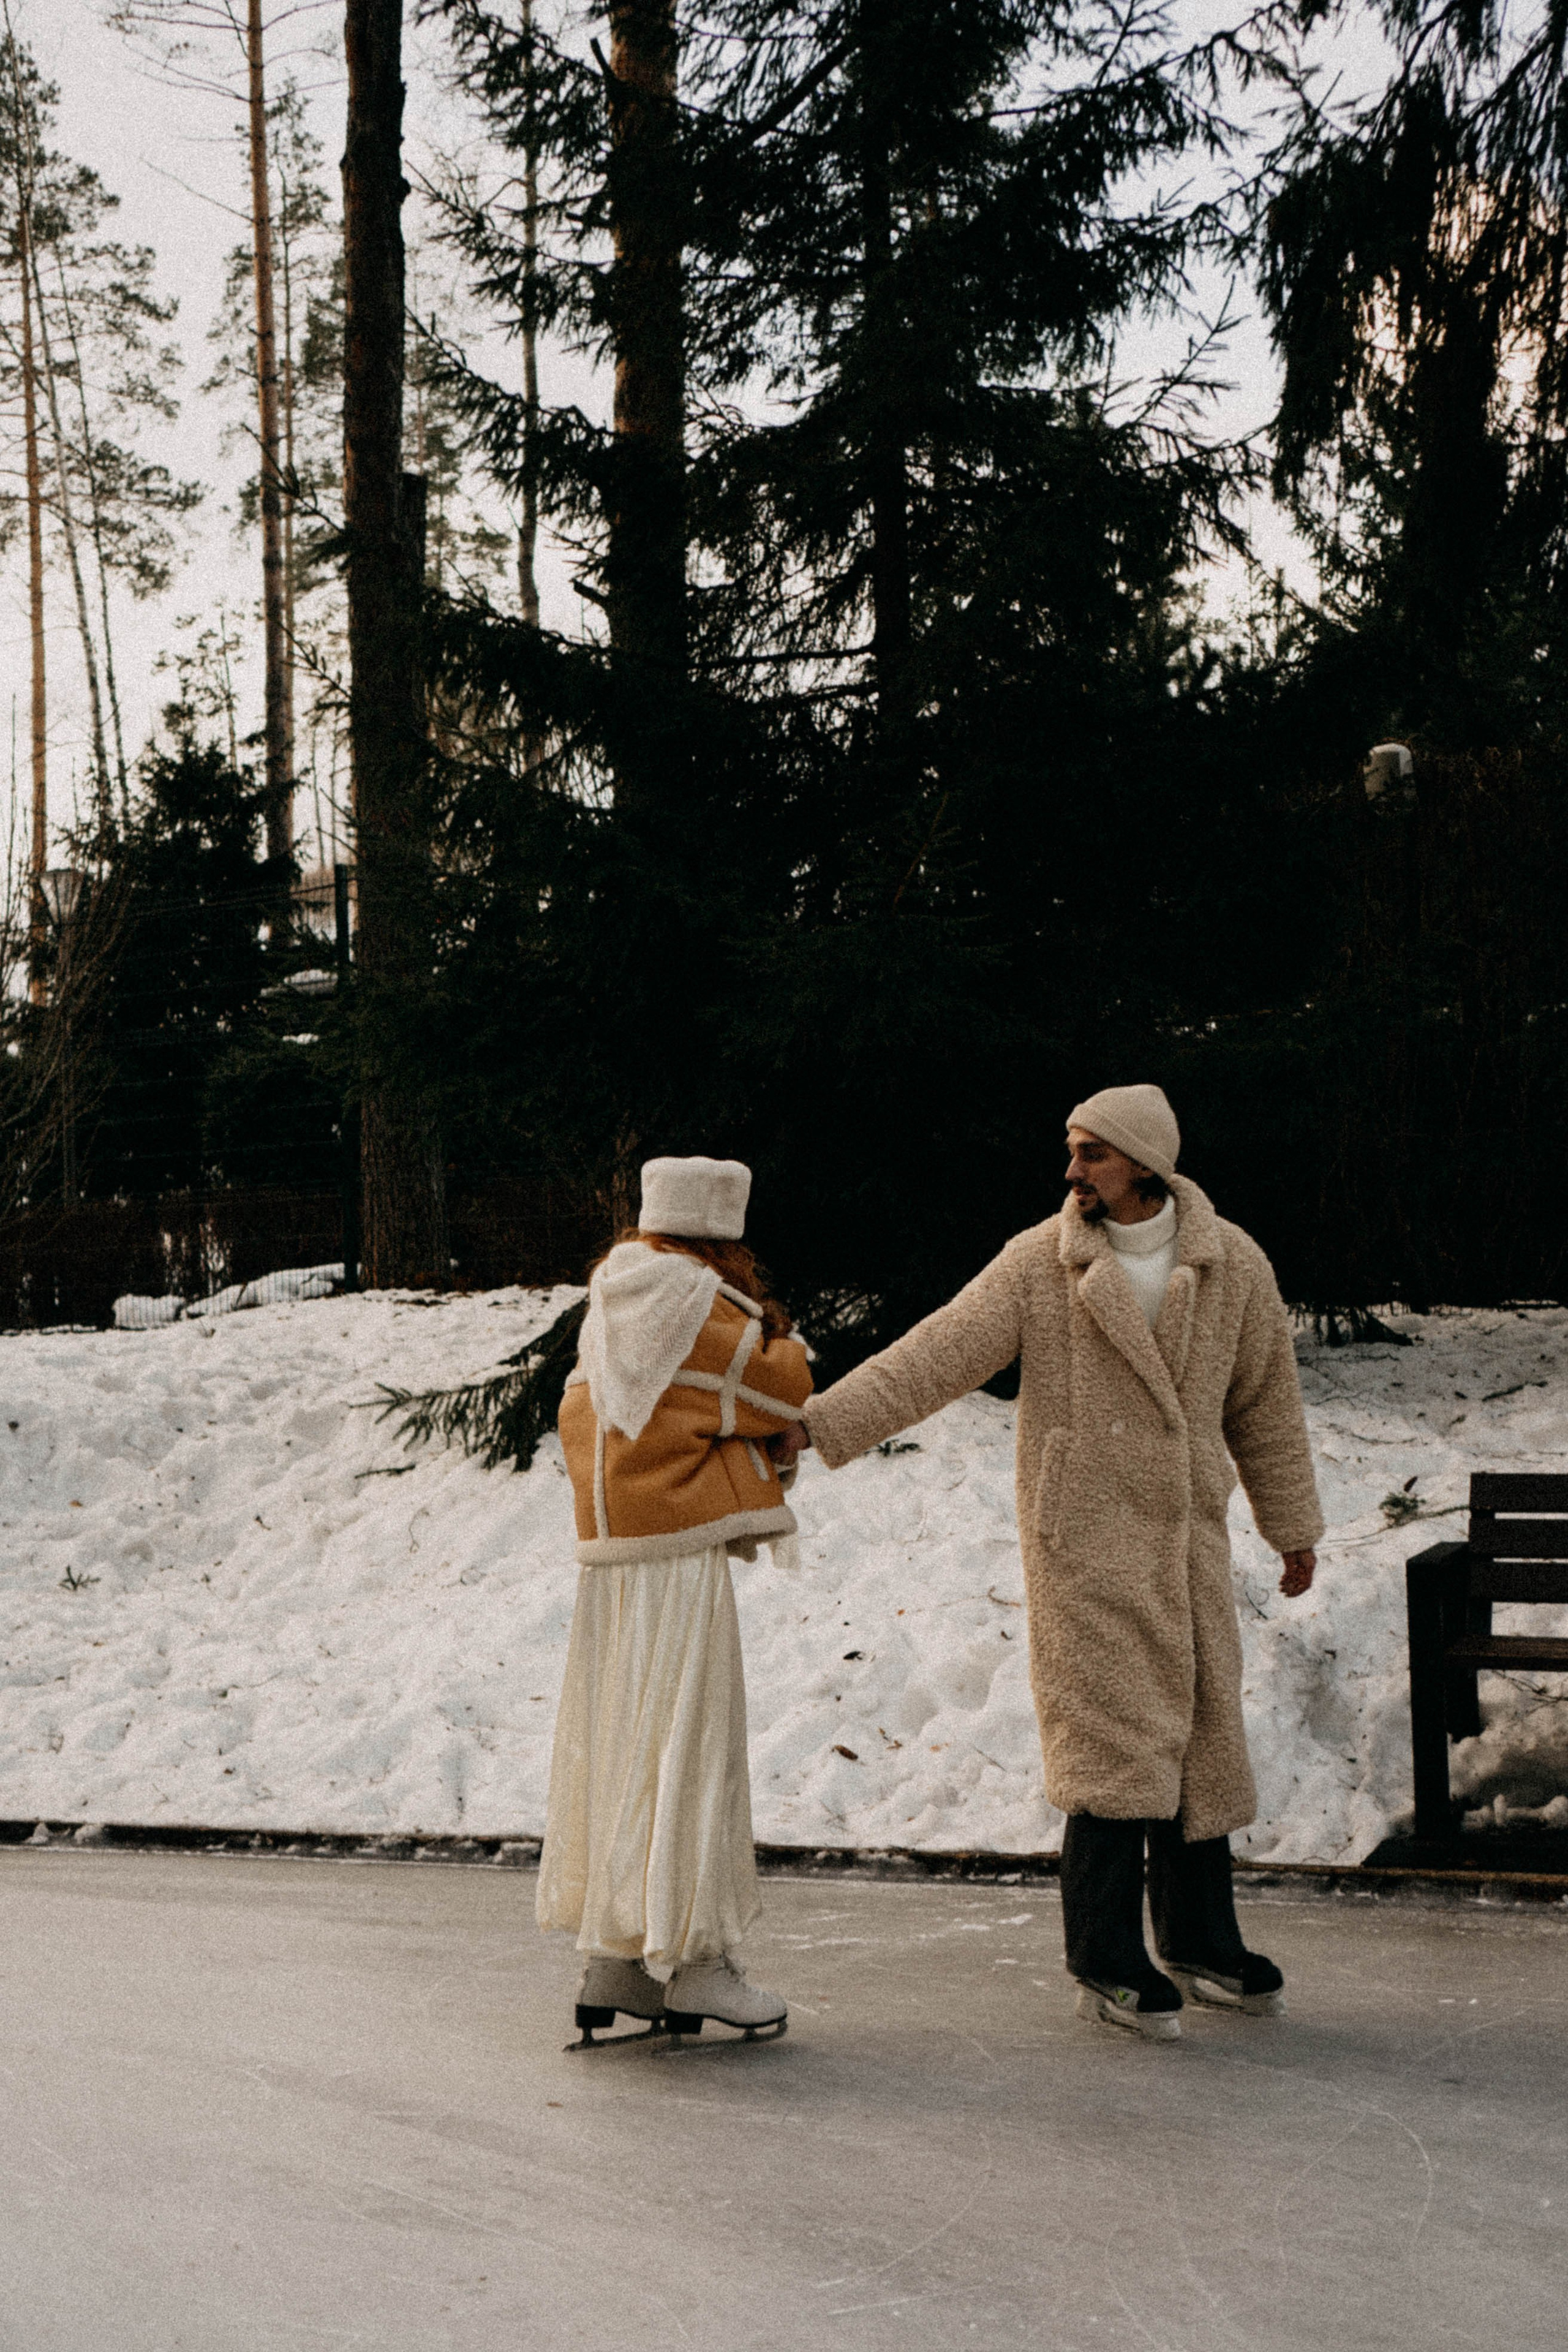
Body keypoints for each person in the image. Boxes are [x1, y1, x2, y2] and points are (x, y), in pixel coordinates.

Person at [783, 1085, 1323, 2043]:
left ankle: (1200, 1939)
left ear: (1145, 1164)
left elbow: (1266, 1406)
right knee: (1112, 1741)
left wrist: (1293, 1528)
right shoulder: (1044, 1261)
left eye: (1091, 1155)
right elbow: (937, 1353)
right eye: (1072, 1154)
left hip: (1186, 1536)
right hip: (1084, 1538)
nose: (1071, 1172)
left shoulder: (1231, 1263)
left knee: (1199, 1736)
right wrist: (820, 1425)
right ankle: (1104, 1953)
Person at [538, 1155, 813, 2045]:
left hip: (613, 1567)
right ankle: (696, 1965)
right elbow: (784, 1387)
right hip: (679, 1565)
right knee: (693, 1745)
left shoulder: (609, 1302)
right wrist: (778, 1330)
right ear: (721, 1233)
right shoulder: (703, 1305)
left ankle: (615, 1958)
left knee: (626, 1745)